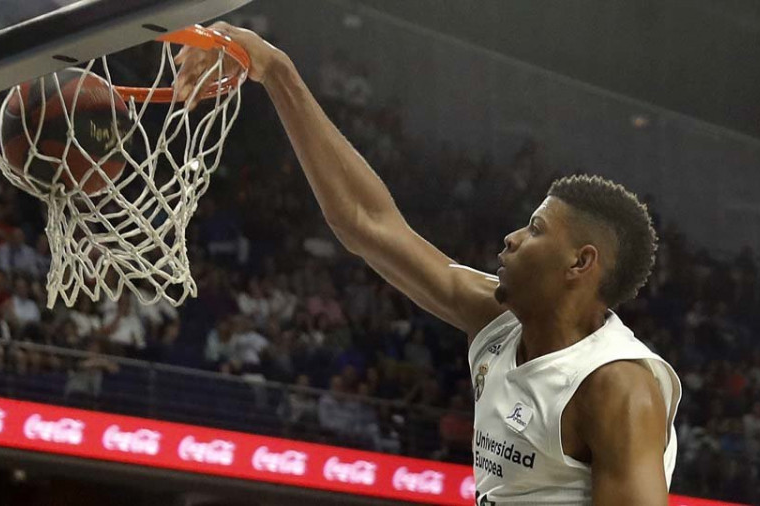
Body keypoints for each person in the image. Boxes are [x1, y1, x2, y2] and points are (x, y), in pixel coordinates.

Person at [176, 24, 681, 505]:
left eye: (535, 230)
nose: (511, 239)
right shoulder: (497, 321)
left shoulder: (617, 387)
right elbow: (365, 222)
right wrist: (277, 69)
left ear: (580, 262)